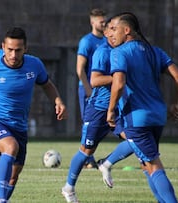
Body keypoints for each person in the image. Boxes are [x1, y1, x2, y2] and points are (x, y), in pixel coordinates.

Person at [0, 27, 67, 203]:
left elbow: (46, 84)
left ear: (25, 48)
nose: (13, 54)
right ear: (3, 47)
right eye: (10, 49)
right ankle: (2, 201)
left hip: (19, 127)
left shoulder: (34, 65)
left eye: (18, 50)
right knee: (11, 147)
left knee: (13, 177)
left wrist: (58, 101)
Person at [107, 12, 178, 203]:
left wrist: (111, 110)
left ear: (127, 30)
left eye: (115, 29)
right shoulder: (154, 51)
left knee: (154, 164)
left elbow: (119, 83)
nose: (111, 33)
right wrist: (175, 102)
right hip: (158, 115)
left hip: (136, 118)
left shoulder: (119, 52)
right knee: (146, 164)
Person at [61, 18, 133, 203]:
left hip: (118, 109)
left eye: (116, 29)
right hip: (99, 110)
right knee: (86, 150)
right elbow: (95, 80)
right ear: (107, 33)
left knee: (136, 140)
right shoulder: (103, 52)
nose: (113, 33)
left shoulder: (124, 51)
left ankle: (106, 163)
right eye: (111, 29)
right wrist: (118, 78)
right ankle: (69, 188)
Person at [76, 8, 107, 169]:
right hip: (88, 88)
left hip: (104, 90)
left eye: (105, 21)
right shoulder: (87, 42)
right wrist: (88, 89)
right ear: (92, 22)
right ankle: (87, 159)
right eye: (101, 21)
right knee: (88, 123)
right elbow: (80, 69)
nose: (104, 24)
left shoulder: (108, 40)